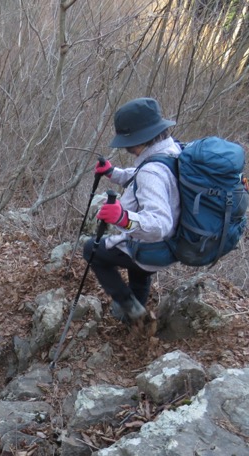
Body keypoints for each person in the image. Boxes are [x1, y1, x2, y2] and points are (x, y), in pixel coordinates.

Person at [83, 97, 180, 326]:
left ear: (138, 139)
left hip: (153, 244)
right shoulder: (171, 150)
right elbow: (142, 175)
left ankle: (129, 307)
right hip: (168, 246)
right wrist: (113, 173)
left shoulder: (151, 171)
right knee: (139, 270)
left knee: (92, 251)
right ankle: (133, 318)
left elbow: (159, 224)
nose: (127, 147)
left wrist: (123, 219)